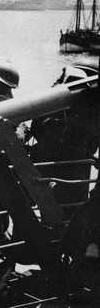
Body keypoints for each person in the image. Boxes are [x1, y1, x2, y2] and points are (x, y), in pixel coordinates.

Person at [30, 59, 99, 208]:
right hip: (73, 174)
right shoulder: (90, 112)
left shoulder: (53, 104)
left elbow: (36, 127)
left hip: (49, 171)